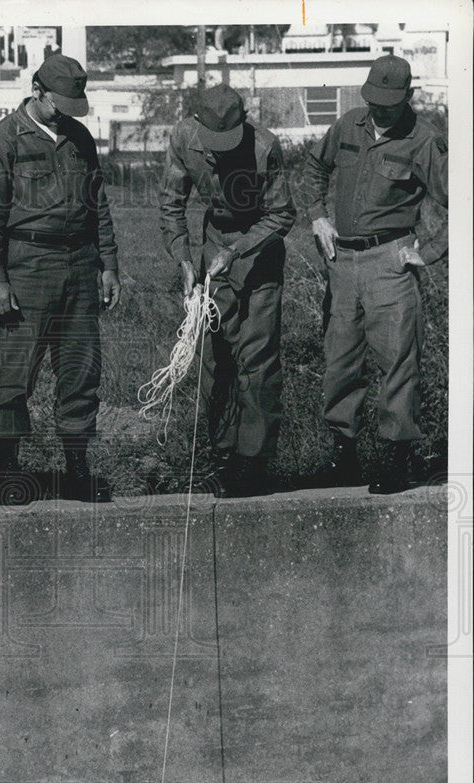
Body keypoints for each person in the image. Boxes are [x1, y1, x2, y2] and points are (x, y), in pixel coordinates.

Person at [0, 53, 121, 504]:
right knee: (16, 372)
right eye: (60, 103)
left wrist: (109, 264)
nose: (67, 114)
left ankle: (77, 466)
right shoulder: (3, 140)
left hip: (80, 264)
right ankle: (8, 469)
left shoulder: (79, 138)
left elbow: (99, 205)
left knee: (80, 370)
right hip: (29, 266)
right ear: (37, 91)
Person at [305, 55, 448, 494]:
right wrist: (317, 216)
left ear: (408, 96)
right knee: (339, 363)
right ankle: (342, 458)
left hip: (391, 262)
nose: (380, 110)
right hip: (342, 264)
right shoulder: (349, 124)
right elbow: (315, 168)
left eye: (390, 102)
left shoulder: (425, 140)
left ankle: (394, 459)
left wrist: (429, 251)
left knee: (397, 363)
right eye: (374, 100)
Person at [159, 84, 296, 498]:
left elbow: (282, 214)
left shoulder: (265, 147)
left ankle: (251, 463)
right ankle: (220, 456)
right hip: (213, 243)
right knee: (215, 359)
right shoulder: (183, 137)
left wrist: (237, 252)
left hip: (258, 250)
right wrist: (184, 260)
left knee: (256, 359)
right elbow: (171, 204)